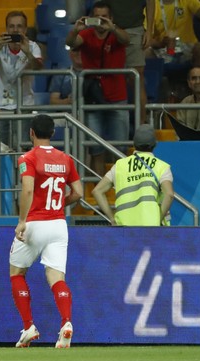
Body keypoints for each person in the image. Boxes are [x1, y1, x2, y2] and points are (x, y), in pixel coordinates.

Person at [10, 114, 83, 348]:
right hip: (59, 224)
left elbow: (28, 190)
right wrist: (60, 203)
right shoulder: (66, 159)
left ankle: (29, 326)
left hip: (35, 223)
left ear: (31, 133)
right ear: (53, 134)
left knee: (17, 273)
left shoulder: (27, 158)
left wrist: (22, 221)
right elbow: (79, 192)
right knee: (56, 278)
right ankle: (66, 323)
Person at [66, 0, 131, 176]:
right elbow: (71, 42)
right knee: (96, 149)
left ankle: (122, 191)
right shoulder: (86, 34)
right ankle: (97, 191)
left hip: (117, 97)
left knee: (121, 148)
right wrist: (76, 30)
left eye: (104, 17)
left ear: (111, 18)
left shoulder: (116, 35)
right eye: (97, 17)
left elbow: (127, 39)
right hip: (93, 98)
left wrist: (113, 28)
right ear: (90, 18)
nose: (100, 21)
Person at [0, 11, 43, 146]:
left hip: (24, 103)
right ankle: (4, 168)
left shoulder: (32, 46)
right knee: (1, 146)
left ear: (25, 29)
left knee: (23, 145)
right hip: (1, 104)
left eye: (19, 26)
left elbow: (38, 68)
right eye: (11, 26)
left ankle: (21, 168)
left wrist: (27, 52)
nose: (15, 29)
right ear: (7, 29)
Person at [92, 124, 174, 226]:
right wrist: (159, 218)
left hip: (123, 226)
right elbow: (169, 194)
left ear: (134, 144)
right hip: (151, 227)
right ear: (155, 144)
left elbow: (97, 191)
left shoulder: (119, 166)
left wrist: (112, 219)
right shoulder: (162, 166)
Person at [107, 0, 156, 123]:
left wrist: (149, 31)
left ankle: (141, 126)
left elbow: (150, 2)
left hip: (134, 29)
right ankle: (110, 124)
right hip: (110, 29)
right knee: (108, 77)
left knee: (137, 78)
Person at [145, 0, 200, 68]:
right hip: (163, 48)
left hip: (188, 46)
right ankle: (152, 77)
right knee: (145, 53)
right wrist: (161, 43)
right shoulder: (153, 5)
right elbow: (147, 39)